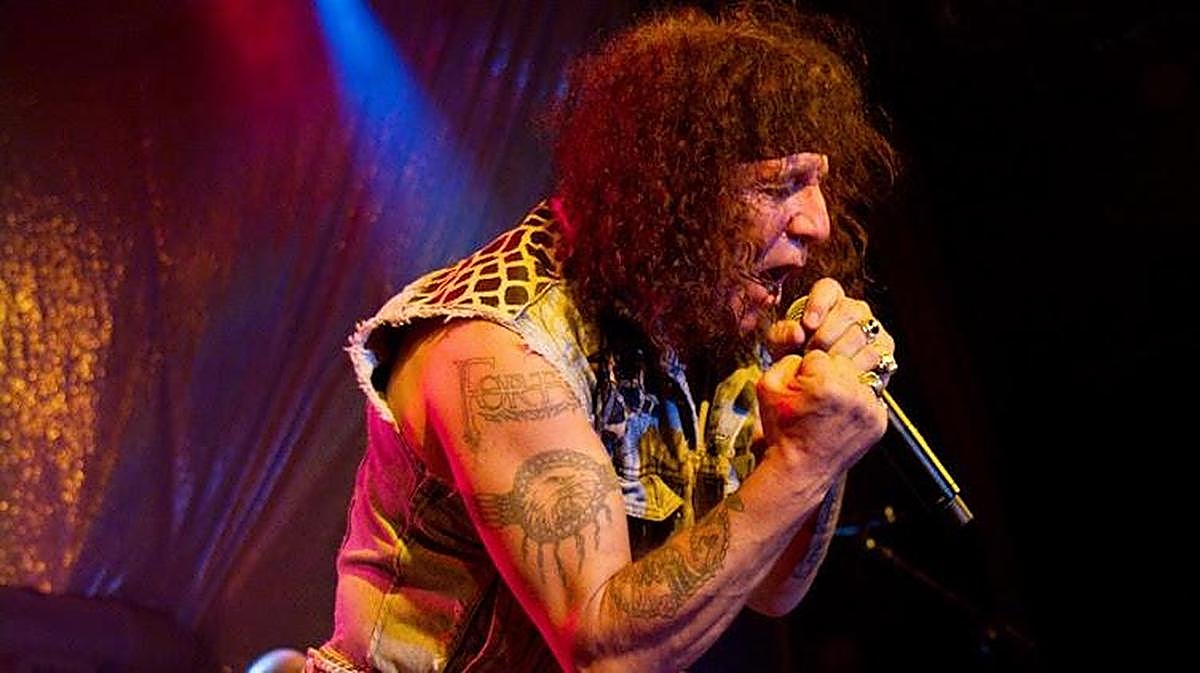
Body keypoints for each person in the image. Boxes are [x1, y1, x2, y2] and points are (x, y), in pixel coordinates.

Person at [308, 3, 898, 672]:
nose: (817, 223)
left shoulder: (699, 314)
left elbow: (771, 588)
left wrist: (814, 426)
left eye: (817, 184)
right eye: (780, 186)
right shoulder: (498, 348)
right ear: (680, 186)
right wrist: (808, 459)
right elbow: (608, 655)